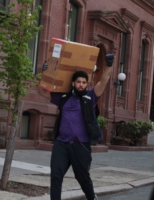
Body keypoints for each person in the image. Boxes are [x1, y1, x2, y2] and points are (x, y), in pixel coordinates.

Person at [49, 54, 115, 200]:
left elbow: (103, 82)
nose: (81, 85)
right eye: (78, 82)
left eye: (84, 82)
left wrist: (108, 65)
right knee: (55, 175)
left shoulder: (90, 97)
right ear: (73, 83)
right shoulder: (64, 98)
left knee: (82, 178)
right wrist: (45, 73)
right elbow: (43, 91)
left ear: (87, 84)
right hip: (61, 143)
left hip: (81, 145)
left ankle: (92, 197)